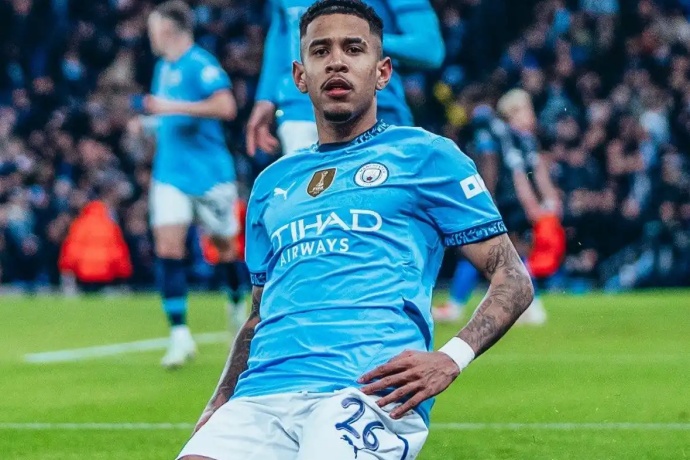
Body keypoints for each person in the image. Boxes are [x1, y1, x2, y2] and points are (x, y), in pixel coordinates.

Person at [177, 1, 534, 459]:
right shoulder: (271, 184)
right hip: (260, 397)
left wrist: (451, 358)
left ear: (383, 72)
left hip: (367, 392)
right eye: (320, 51)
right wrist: (221, 398)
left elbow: (513, 278)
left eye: (353, 48)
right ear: (300, 76)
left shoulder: (425, 156)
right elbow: (259, 314)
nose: (337, 62)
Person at [139, 0, 240, 368]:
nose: (150, 35)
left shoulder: (201, 64)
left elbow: (226, 107)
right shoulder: (163, 67)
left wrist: (171, 108)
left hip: (209, 174)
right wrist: (149, 124)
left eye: (153, 27)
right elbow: (167, 117)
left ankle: (236, 306)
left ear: (167, 29)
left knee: (224, 248)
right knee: (168, 246)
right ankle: (179, 335)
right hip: (170, 174)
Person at [245, 0, 444, 157]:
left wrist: (357, 40)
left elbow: (429, 48)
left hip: (376, 113)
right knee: (314, 196)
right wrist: (265, 98)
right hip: (300, 111)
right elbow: (283, 29)